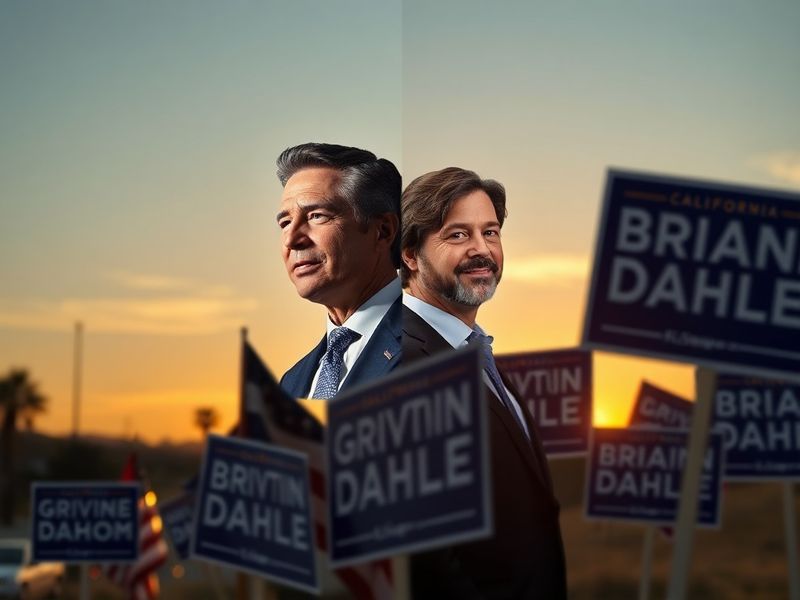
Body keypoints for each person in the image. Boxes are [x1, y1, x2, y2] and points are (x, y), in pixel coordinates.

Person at [400, 167, 567, 599]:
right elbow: (422, 552)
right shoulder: (404, 363)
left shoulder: (474, 352)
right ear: (410, 255)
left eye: (490, 232)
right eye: (457, 235)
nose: (482, 250)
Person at [275, 143, 402, 399]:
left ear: (383, 230)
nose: (292, 239)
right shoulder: (292, 383)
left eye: (317, 216)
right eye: (285, 223)